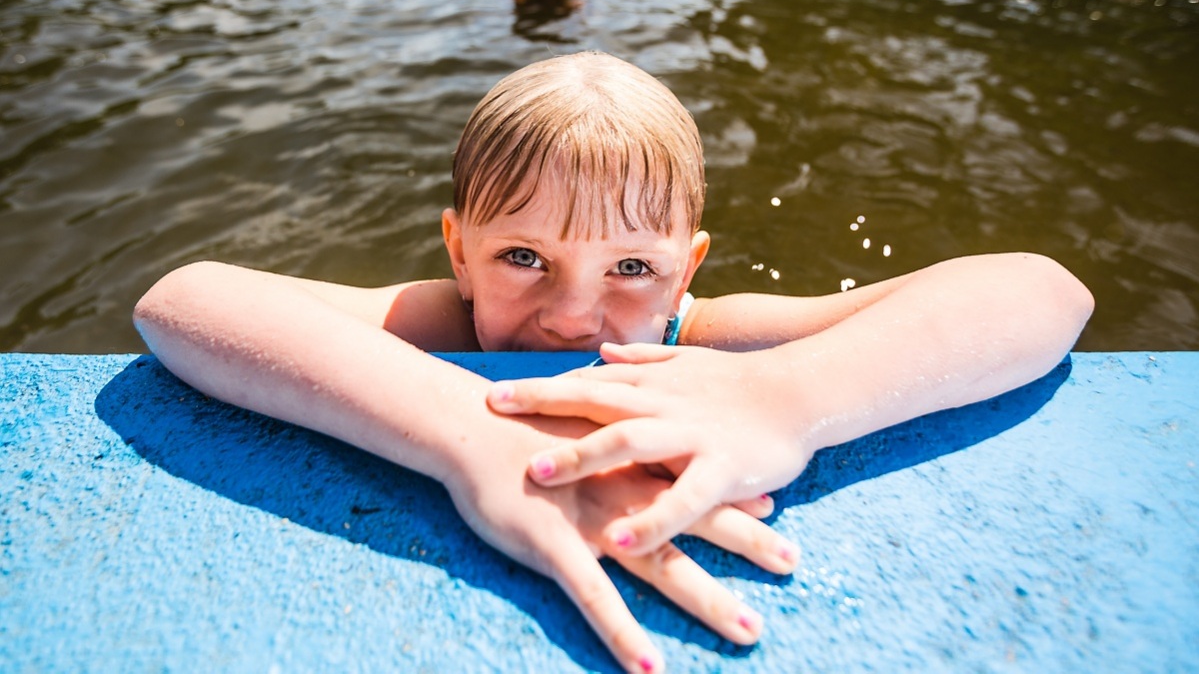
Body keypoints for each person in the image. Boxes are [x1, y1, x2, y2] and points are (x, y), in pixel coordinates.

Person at [134, 51, 1094, 672]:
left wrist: (790, 396)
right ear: (458, 249)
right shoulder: (438, 321)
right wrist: (465, 432)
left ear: (690, 269)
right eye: (522, 258)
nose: (571, 311)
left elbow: (1043, 290)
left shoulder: (703, 337)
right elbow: (182, 299)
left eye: (633, 267)